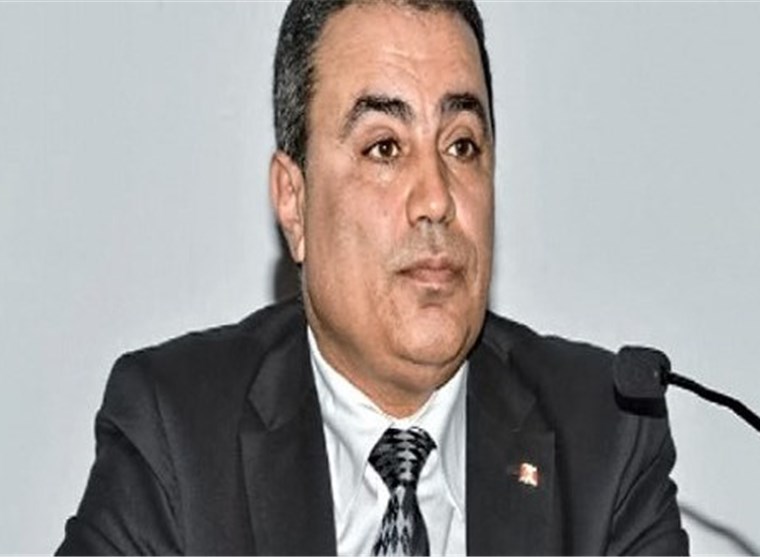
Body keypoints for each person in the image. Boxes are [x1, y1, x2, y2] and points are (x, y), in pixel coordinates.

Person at [57, 0, 689, 555]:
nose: (436, 198)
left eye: (462, 145)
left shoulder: (606, 436)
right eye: (384, 147)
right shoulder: (178, 432)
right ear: (294, 201)